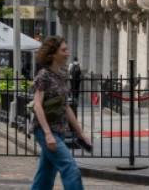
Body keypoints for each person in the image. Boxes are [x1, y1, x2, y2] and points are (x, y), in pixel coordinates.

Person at [29, 36, 91, 190]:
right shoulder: (43, 76)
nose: (68, 53)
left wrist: (81, 133)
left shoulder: (62, 76)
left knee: (45, 175)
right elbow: (37, 106)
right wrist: (48, 134)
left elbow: (66, 107)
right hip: (46, 132)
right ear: (52, 54)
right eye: (64, 50)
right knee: (71, 169)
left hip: (59, 131)